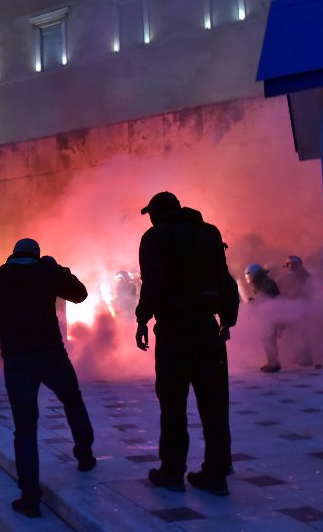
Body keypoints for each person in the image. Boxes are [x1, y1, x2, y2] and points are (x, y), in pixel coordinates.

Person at [0, 238, 95, 518]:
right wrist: (57, 268)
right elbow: (80, 294)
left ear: (13, 254)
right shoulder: (46, 273)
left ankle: (30, 498)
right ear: (37, 255)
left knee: (25, 428)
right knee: (73, 401)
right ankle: (85, 455)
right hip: (51, 354)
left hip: (17, 361)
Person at [135, 191, 238, 496]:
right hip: (207, 330)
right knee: (216, 406)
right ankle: (217, 474)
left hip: (174, 332)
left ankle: (172, 472)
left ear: (158, 213)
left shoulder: (155, 237)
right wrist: (227, 318)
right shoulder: (208, 233)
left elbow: (152, 281)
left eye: (151, 213)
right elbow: (224, 278)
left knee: (173, 406)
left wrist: (143, 318)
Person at [244, 263, 283, 372]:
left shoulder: (267, 283)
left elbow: (268, 298)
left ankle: (273, 363)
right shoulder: (261, 284)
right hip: (267, 315)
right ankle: (272, 361)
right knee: (266, 338)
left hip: (272, 315)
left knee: (268, 338)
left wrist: (255, 301)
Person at [276, 255, 314, 366]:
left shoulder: (305, 276)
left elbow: (312, 290)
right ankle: (297, 355)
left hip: (302, 308)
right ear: (286, 266)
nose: (292, 267)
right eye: (289, 264)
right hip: (288, 309)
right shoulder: (282, 278)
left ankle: (307, 357)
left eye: (294, 264)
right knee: (291, 335)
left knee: (303, 333)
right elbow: (276, 291)